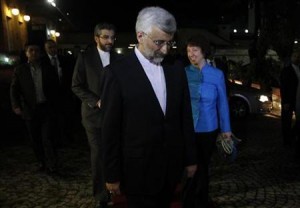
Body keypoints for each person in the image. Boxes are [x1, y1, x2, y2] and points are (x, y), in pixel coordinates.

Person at [101, 6, 197, 208]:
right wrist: (111, 174)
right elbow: (110, 130)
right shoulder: (116, 73)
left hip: (171, 168)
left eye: (169, 42)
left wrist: (190, 158)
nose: (165, 49)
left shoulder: (176, 68)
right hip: (137, 171)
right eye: (159, 42)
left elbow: (184, 116)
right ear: (140, 35)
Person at [72, 22, 122, 208]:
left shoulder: (118, 59)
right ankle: (102, 196)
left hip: (116, 117)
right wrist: (97, 101)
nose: (110, 41)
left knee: (115, 153)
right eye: (105, 37)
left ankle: (116, 189)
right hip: (94, 118)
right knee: (99, 155)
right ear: (96, 38)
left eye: (112, 37)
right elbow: (76, 86)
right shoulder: (85, 58)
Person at [184, 34, 232, 208]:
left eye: (195, 50)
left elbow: (223, 104)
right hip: (189, 128)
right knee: (191, 165)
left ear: (203, 52)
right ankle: (191, 198)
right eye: (188, 51)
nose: (191, 54)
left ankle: (200, 198)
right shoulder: (184, 73)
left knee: (202, 165)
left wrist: (226, 129)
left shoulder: (217, 75)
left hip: (209, 128)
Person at [10, 41, 60, 175]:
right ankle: (41, 162)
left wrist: (56, 105)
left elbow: (56, 88)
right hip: (30, 109)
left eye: (36, 51)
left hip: (46, 108)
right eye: (31, 50)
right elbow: (14, 89)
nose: (34, 53)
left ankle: (52, 164)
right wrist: (16, 105)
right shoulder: (20, 70)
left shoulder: (48, 68)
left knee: (47, 137)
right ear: (26, 53)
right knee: (35, 138)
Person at [43, 39, 76, 146]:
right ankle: (56, 140)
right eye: (50, 47)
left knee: (67, 118)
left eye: (54, 47)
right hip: (50, 96)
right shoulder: (43, 62)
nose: (53, 49)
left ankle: (68, 138)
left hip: (65, 94)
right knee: (53, 119)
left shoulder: (64, 60)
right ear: (46, 49)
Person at [280, 49, 300, 156]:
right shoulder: (286, 70)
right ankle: (287, 141)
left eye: (298, 56)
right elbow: (283, 87)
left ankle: (292, 136)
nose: (297, 58)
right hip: (289, 100)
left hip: (297, 100)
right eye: (295, 56)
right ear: (291, 58)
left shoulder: (299, 69)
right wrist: (285, 101)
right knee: (286, 121)